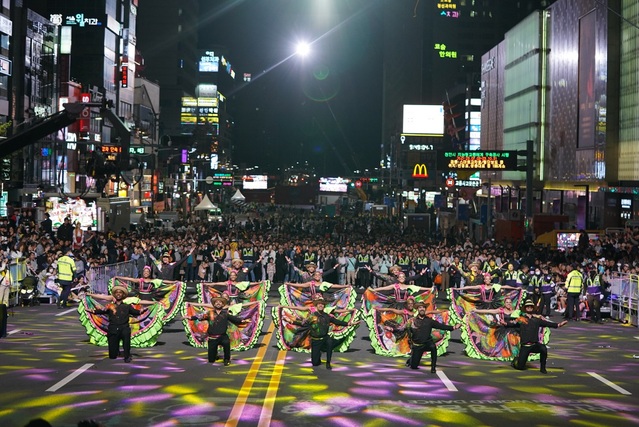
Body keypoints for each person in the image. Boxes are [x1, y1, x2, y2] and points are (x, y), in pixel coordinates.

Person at [86, 285, 149, 363]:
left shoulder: (127, 306)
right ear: (114, 295)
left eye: (120, 293)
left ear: (123, 295)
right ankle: (116, 351)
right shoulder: (110, 306)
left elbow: (136, 312)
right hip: (113, 328)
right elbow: (101, 311)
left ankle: (127, 356)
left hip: (124, 328)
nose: (118, 294)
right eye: (116, 292)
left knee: (126, 343)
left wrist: (142, 311)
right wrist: (92, 311)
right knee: (112, 356)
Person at [503, 299, 568, 373]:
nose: (529, 307)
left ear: (533, 308)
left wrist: (558, 325)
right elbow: (511, 324)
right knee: (520, 367)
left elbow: (547, 323)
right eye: (527, 306)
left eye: (531, 306)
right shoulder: (521, 319)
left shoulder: (536, 320)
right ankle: (515, 361)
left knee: (543, 348)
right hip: (525, 346)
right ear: (525, 308)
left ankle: (543, 368)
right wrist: (505, 323)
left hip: (534, 345)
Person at [186, 294, 248, 365]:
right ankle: (214, 356)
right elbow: (200, 316)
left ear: (223, 305)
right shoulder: (209, 313)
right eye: (216, 302)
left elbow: (235, 319)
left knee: (226, 345)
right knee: (211, 360)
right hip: (212, 338)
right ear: (214, 305)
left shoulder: (225, 314)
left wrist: (242, 321)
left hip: (223, 336)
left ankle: (227, 359)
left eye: (220, 302)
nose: (218, 303)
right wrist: (190, 317)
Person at [299, 297, 360, 370]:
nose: (321, 306)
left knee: (330, 343)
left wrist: (350, 323)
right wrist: (292, 321)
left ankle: (328, 362)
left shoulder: (327, 316)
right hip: (316, 340)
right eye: (319, 304)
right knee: (315, 363)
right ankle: (318, 354)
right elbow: (303, 323)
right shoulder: (312, 316)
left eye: (322, 304)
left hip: (325, 338)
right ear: (316, 306)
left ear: (324, 306)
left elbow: (337, 322)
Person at [404, 301, 460, 372]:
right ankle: (411, 360)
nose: (422, 309)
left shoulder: (429, 321)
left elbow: (441, 326)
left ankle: (433, 367)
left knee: (433, 347)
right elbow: (404, 329)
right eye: (420, 307)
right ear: (417, 309)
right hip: (417, 345)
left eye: (423, 307)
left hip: (427, 343)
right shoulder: (412, 321)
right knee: (414, 366)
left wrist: (454, 327)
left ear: (425, 309)